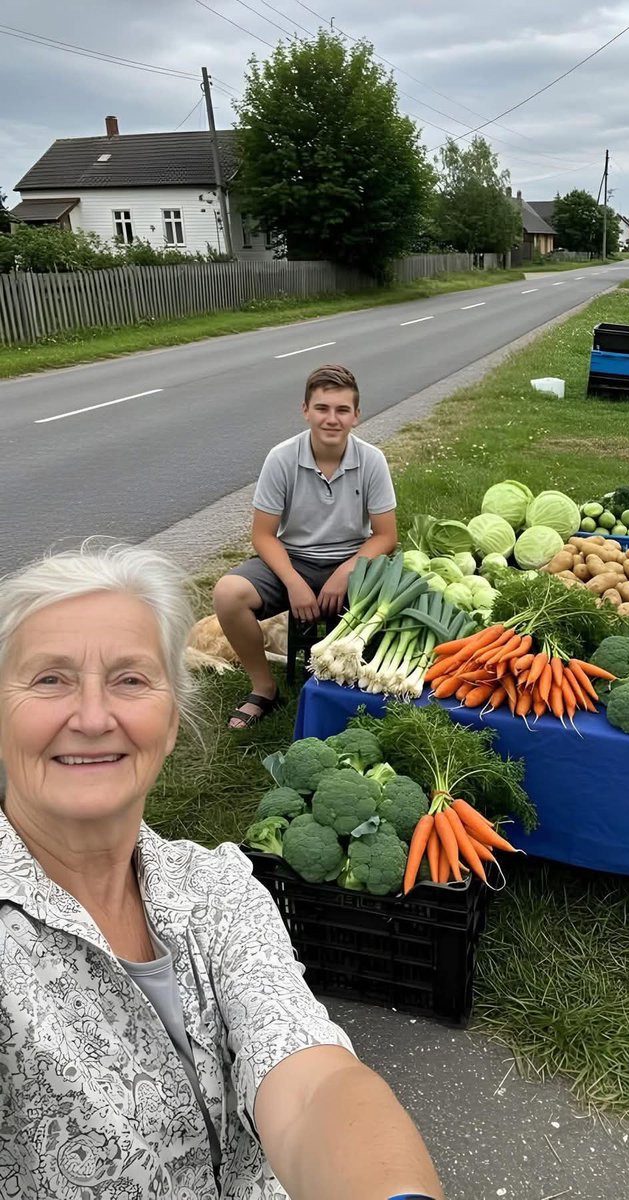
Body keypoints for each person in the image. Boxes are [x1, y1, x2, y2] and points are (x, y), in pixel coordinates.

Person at [0, 543, 444, 1200]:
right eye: (49, 680)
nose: (93, 718)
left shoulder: (217, 888)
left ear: (172, 720)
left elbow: (311, 1083)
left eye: (129, 679)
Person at [214, 364, 398, 729]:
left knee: (398, 604)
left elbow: (385, 536)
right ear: (306, 411)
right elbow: (263, 534)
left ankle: (362, 686)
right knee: (227, 593)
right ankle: (264, 689)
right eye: (322, 408)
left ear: (356, 416)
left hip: (352, 562)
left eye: (342, 410)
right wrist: (294, 582)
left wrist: (346, 571)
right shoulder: (282, 458)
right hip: (292, 559)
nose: (332, 419)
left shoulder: (371, 460)